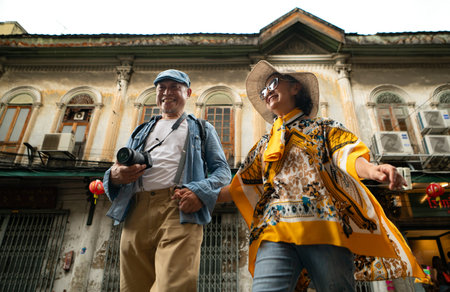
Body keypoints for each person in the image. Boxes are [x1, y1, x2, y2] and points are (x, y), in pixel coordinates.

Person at [218, 60, 425, 292]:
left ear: (296, 88)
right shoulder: (264, 144)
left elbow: (346, 153)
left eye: (273, 83)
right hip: (274, 230)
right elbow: (241, 183)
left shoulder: (324, 127)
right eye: (264, 90)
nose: (267, 92)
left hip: (324, 228)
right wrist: (200, 197)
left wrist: (373, 170)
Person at [103, 69, 231, 292]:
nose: (166, 93)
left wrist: (199, 192)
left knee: (173, 286)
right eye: (161, 88)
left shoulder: (200, 128)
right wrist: (113, 176)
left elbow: (222, 171)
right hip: (136, 210)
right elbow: (117, 168)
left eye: (174, 87)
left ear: (188, 92)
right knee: (132, 287)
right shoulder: (141, 130)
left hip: (178, 207)